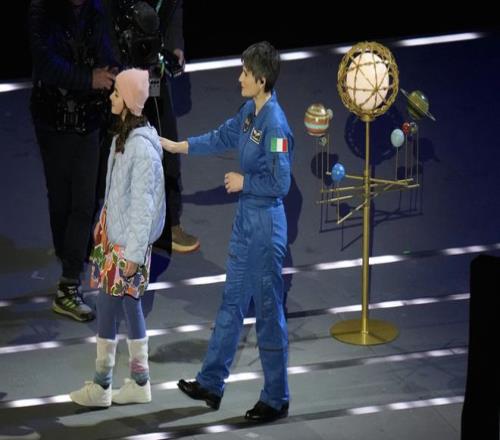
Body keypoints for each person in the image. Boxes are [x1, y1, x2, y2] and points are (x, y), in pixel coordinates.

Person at [160, 41, 293, 422]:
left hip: (265, 226)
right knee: (231, 304)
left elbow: (281, 183)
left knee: (267, 313)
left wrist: (244, 181)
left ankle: (276, 398)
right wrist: (179, 146)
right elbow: (222, 136)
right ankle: (211, 382)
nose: (239, 78)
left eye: (245, 73)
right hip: (246, 221)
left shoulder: (276, 125)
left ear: (262, 80)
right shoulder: (251, 112)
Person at [70, 68, 166, 407]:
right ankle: (139, 382)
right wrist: (103, 221)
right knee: (129, 304)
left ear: (128, 101)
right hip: (116, 240)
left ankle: (102, 386)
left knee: (108, 307)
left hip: (127, 247)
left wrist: (134, 257)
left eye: (116, 94)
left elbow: (143, 207)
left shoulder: (141, 150)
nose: (110, 97)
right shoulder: (122, 139)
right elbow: (116, 194)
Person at [29, 0, 116, 322]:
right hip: (53, 119)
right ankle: (69, 256)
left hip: (89, 118)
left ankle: (69, 282)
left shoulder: (97, 9)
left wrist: (113, 71)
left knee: (85, 200)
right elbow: (46, 64)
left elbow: (108, 51)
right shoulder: (42, 9)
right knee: (62, 200)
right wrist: (88, 78)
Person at [103, 0, 199, 254]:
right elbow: (104, 20)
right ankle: (114, 230)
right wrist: (119, 67)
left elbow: (173, 10)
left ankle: (171, 225)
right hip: (121, 74)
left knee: (166, 147)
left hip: (155, 73)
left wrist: (175, 47)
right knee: (121, 154)